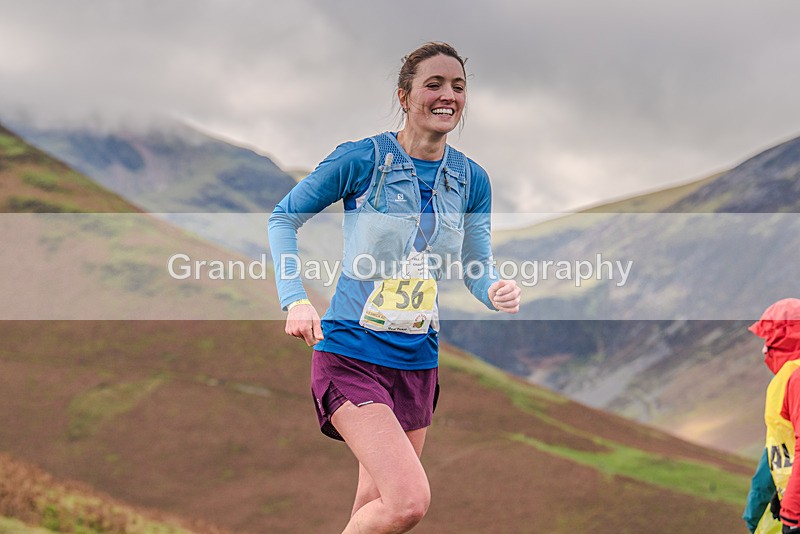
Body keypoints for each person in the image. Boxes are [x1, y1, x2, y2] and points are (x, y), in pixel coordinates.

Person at [268, 42, 521, 533]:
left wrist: (493, 289)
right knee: (407, 502)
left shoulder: (472, 179)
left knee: (373, 507)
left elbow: (476, 265)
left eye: (458, 86)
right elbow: (283, 218)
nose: (448, 95)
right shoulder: (361, 159)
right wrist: (294, 298)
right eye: (434, 84)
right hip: (351, 353)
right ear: (404, 96)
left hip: (417, 363)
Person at [744, 298, 800, 534]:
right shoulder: (787, 378)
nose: (765, 349)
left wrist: (793, 515)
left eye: (769, 340)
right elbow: (780, 452)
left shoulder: (795, 378)